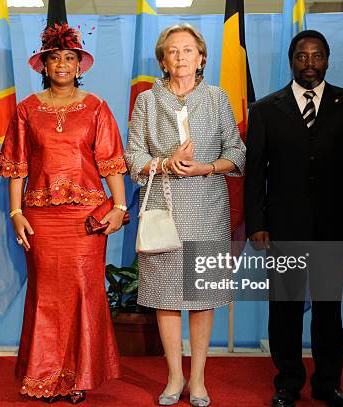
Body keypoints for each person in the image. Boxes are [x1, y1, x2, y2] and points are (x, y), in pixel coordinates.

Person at [244, 30, 343, 407]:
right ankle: (287, 383)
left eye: (317, 56)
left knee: (328, 308)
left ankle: (327, 383)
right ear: (291, 61)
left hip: (335, 226)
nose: (309, 64)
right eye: (302, 57)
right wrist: (257, 222)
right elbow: (256, 172)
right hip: (283, 228)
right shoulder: (267, 109)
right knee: (284, 308)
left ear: (327, 60)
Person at [0, 23, 125, 404]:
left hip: (86, 220)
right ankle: (43, 377)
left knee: (85, 294)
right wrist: (16, 213)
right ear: (44, 65)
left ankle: (78, 378)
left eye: (69, 58)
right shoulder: (26, 109)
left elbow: (111, 162)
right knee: (46, 296)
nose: (62, 64)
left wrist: (117, 207)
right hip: (41, 219)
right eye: (55, 58)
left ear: (79, 64)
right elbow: (16, 166)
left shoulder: (97, 107)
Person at [124, 24, 245, 407]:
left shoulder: (217, 98)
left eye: (188, 50)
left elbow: (237, 153)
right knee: (166, 296)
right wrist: (166, 163)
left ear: (201, 57)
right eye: (172, 51)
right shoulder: (147, 100)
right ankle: (174, 377)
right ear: (163, 60)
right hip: (163, 206)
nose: (180, 57)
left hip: (208, 206)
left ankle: (198, 379)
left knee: (203, 295)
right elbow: (133, 157)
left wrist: (206, 168)